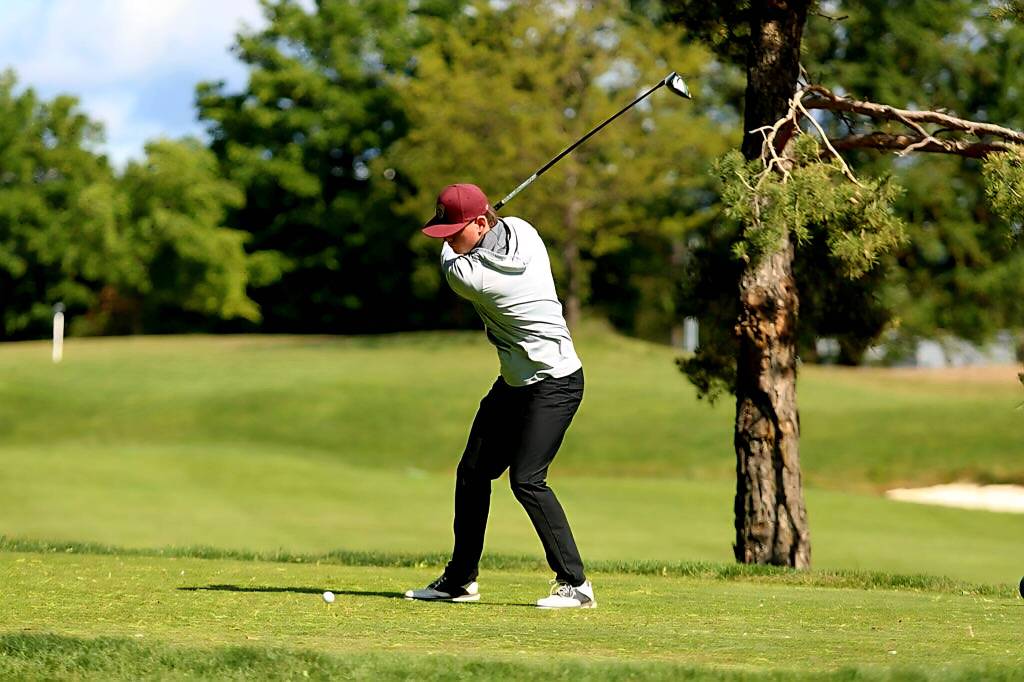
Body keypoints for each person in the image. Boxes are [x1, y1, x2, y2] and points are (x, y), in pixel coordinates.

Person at [404, 183, 594, 609]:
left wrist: (472, 230)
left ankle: (576, 585)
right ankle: (460, 580)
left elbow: (453, 260)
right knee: (472, 472)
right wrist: (482, 222)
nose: (450, 240)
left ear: (480, 222)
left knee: (527, 479)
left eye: (456, 231)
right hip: (515, 383)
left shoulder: (472, 277)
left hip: (556, 382)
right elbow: (498, 231)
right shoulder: (525, 231)